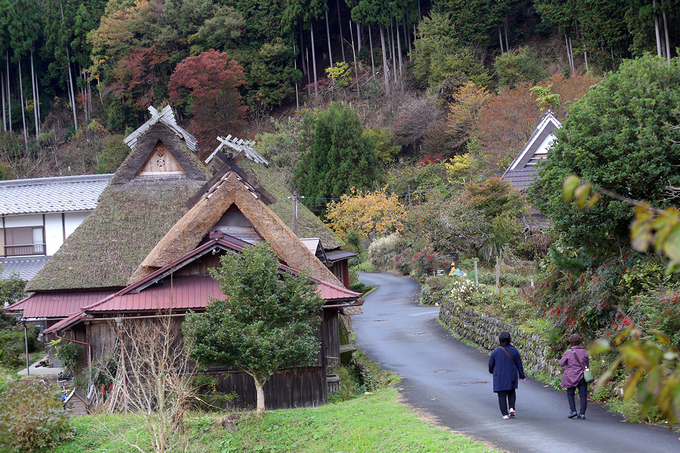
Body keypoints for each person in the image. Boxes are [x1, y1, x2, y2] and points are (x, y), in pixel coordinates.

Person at [489, 331, 526, 419]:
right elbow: (519, 364)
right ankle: (512, 408)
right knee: (511, 391)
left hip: (500, 376)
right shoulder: (514, 350)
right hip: (511, 375)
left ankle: (505, 414)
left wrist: (491, 371)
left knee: (501, 395)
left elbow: (491, 363)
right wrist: (522, 375)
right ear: (509, 339)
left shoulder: (496, 351)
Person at [559, 333, 589, 420]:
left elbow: (561, 363)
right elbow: (587, 364)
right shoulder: (585, 351)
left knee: (570, 393)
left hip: (571, 376)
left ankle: (573, 411)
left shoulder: (568, 352)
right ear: (579, 341)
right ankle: (582, 413)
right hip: (582, 376)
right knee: (583, 395)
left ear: (570, 342)